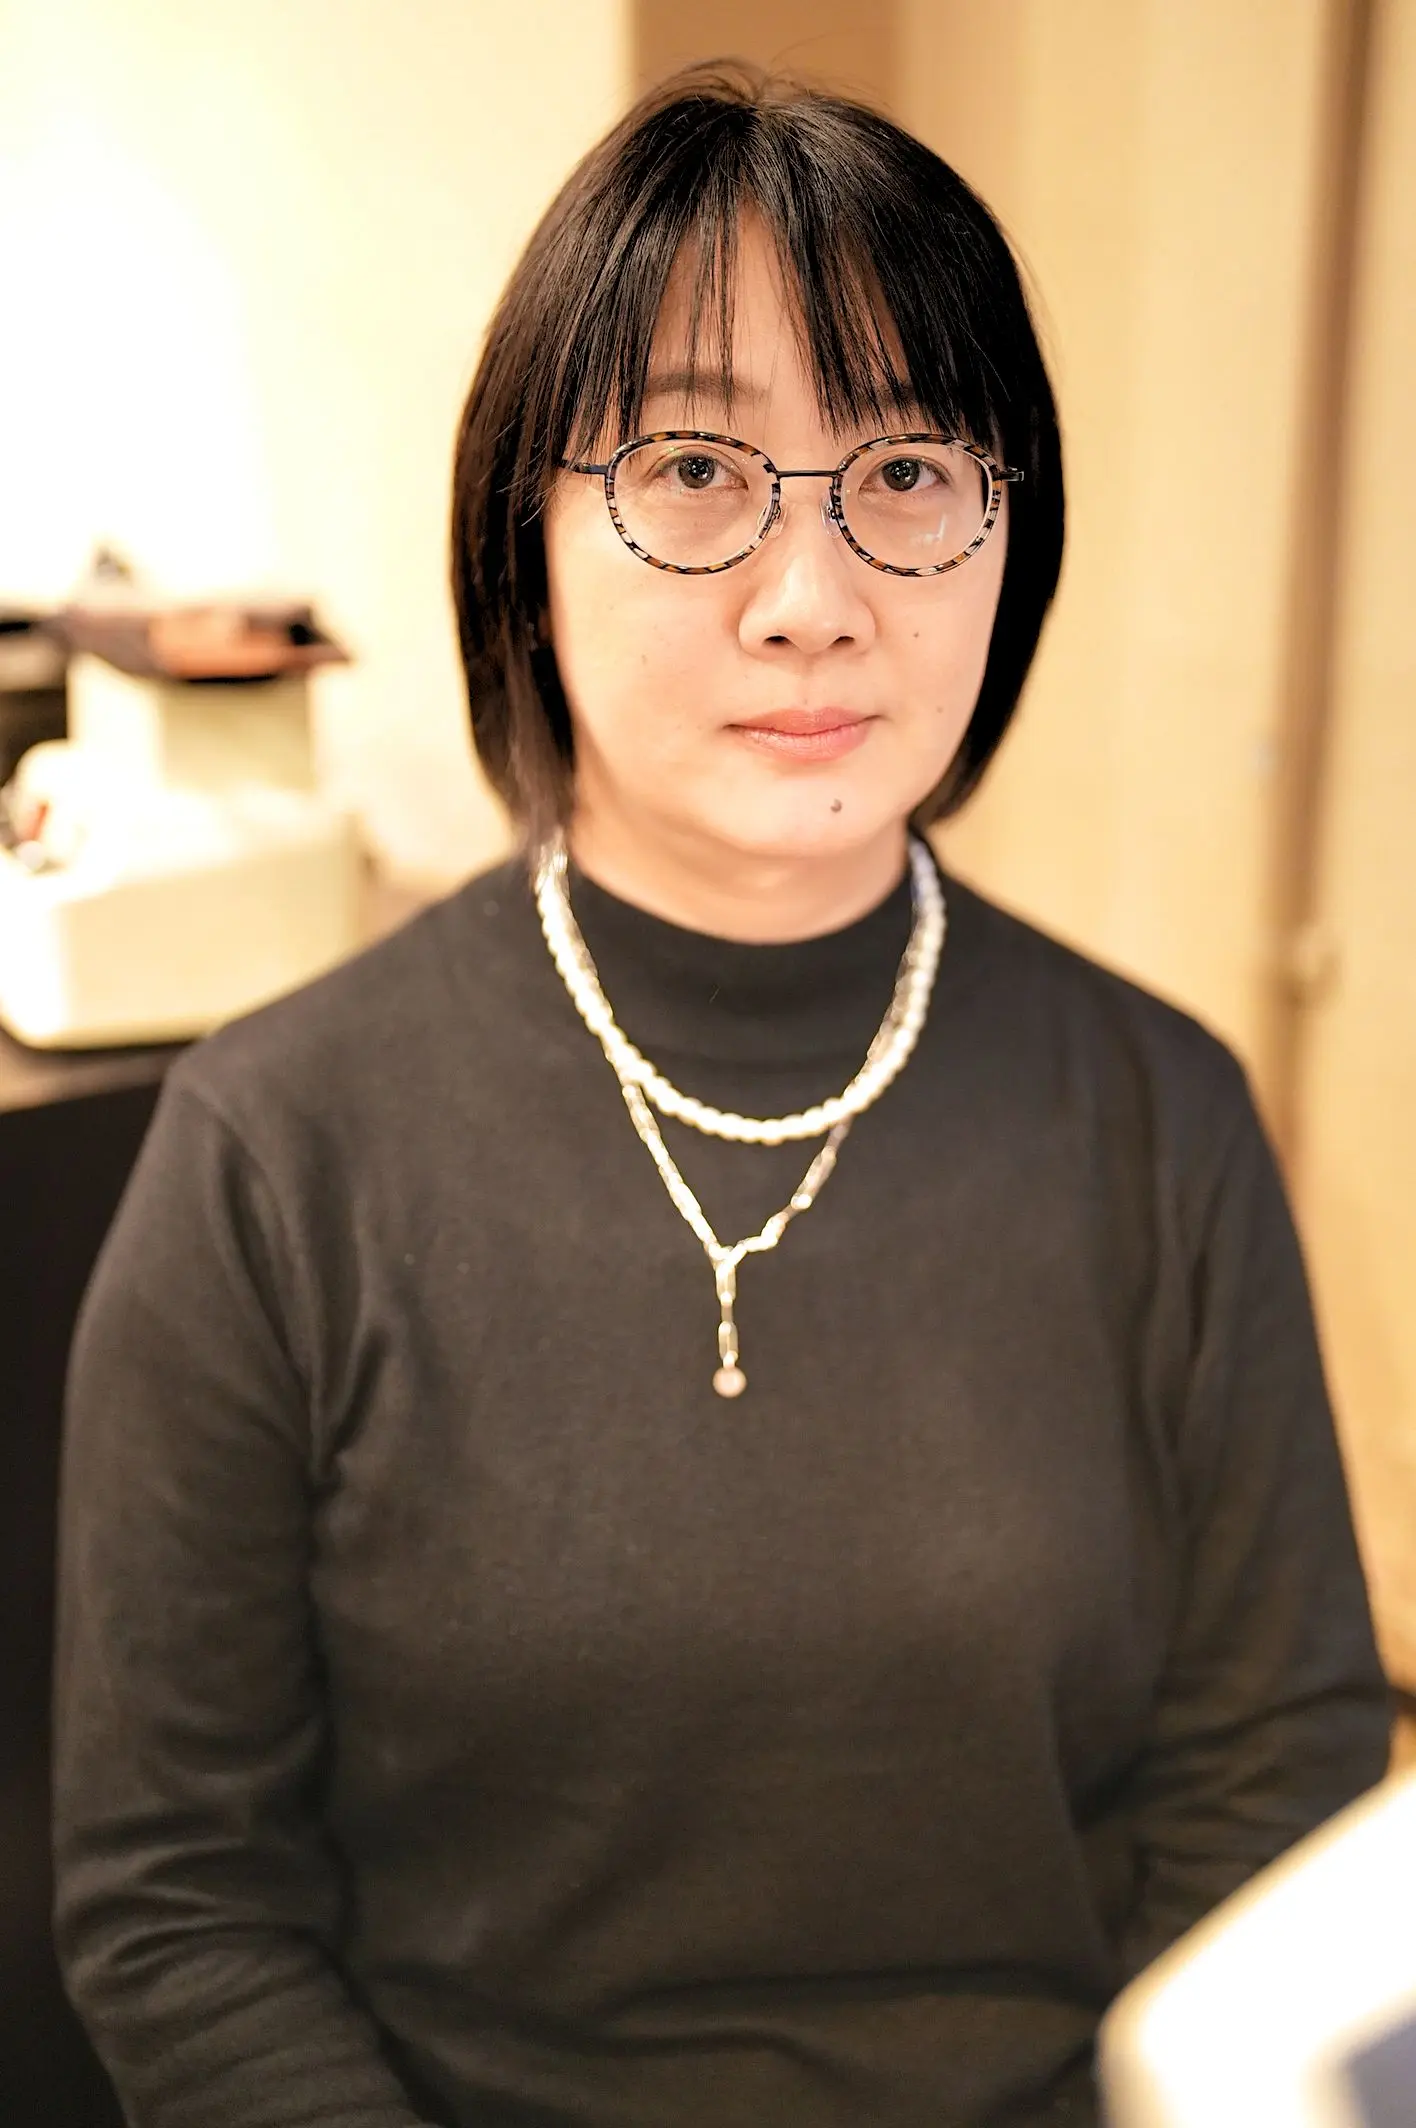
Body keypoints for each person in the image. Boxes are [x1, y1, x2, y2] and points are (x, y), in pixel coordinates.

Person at [53, 62, 1390, 2128]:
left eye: (910, 468)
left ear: (1011, 534)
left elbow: (1272, 1777)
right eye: (693, 468)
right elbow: (182, 1902)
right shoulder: (274, 1154)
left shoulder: (1161, 1115)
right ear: (524, 533)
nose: (812, 596)